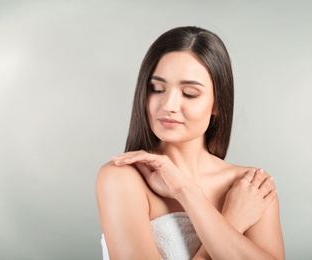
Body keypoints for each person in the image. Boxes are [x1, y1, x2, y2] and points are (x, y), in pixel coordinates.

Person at [96, 26, 284, 259]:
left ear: (217, 104)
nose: (169, 105)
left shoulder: (251, 186)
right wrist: (231, 221)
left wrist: (186, 192)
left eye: (189, 93)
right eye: (157, 89)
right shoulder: (122, 178)